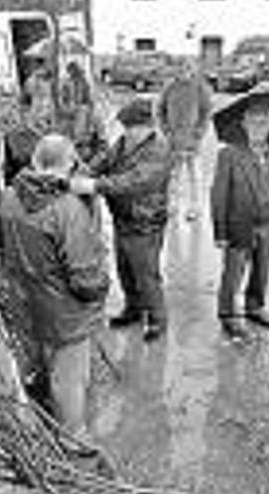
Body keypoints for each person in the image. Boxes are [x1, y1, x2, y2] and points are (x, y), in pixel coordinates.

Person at [0, 134, 110, 439]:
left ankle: (46, 413)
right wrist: (102, 285)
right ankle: (74, 442)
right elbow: (85, 279)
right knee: (70, 381)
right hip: (64, 315)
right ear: (70, 163)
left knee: (44, 364)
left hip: (25, 302)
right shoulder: (68, 209)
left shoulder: (9, 195)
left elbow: (1, 245)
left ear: (35, 161)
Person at [69, 98, 175, 342]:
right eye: (125, 127)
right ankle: (133, 309)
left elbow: (135, 182)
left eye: (132, 128)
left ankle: (158, 319)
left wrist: (94, 185)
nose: (127, 132)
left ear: (147, 126)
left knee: (146, 273)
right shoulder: (125, 142)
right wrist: (86, 171)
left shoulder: (159, 149)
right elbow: (106, 159)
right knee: (125, 269)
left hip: (146, 222)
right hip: (124, 218)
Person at [211, 102, 269, 341]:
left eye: (263, 122)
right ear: (244, 125)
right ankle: (228, 314)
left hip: (268, 225)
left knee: (262, 269)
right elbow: (218, 195)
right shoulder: (229, 154)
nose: (258, 127)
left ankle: (254, 306)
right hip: (238, 225)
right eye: (253, 122)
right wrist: (220, 232)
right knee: (233, 273)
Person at [157, 58, 213, 221]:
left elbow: (206, 111)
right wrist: (166, 130)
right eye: (180, 67)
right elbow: (160, 110)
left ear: (192, 69)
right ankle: (172, 206)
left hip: (192, 140)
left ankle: (195, 207)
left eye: (187, 67)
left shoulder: (199, 88)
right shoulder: (169, 88)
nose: (183, 71)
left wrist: (199, 132)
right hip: (173, 140)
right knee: (174, 175)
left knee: (194, 175)